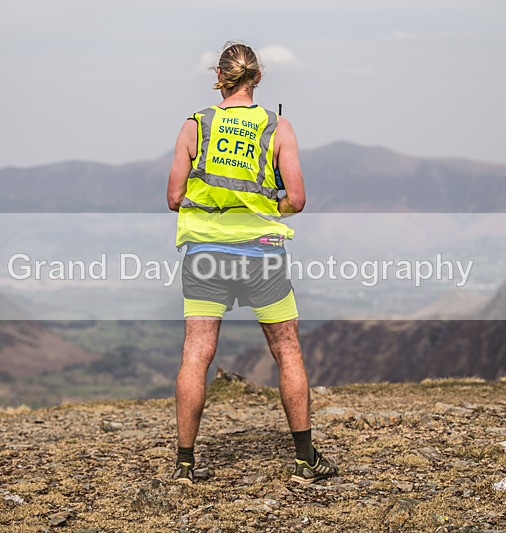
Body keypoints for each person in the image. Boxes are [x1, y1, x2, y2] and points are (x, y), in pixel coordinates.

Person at [166, 42, 338, 485]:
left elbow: (173, 198)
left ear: (219, 77)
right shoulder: (277, 127)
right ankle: (305, 460)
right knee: (287, 352)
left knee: (196, 354)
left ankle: (185, 464)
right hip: (262, 253)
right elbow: (296, 201)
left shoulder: (196, 125)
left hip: (205, 254)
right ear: (257, 78)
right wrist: (264, 204)